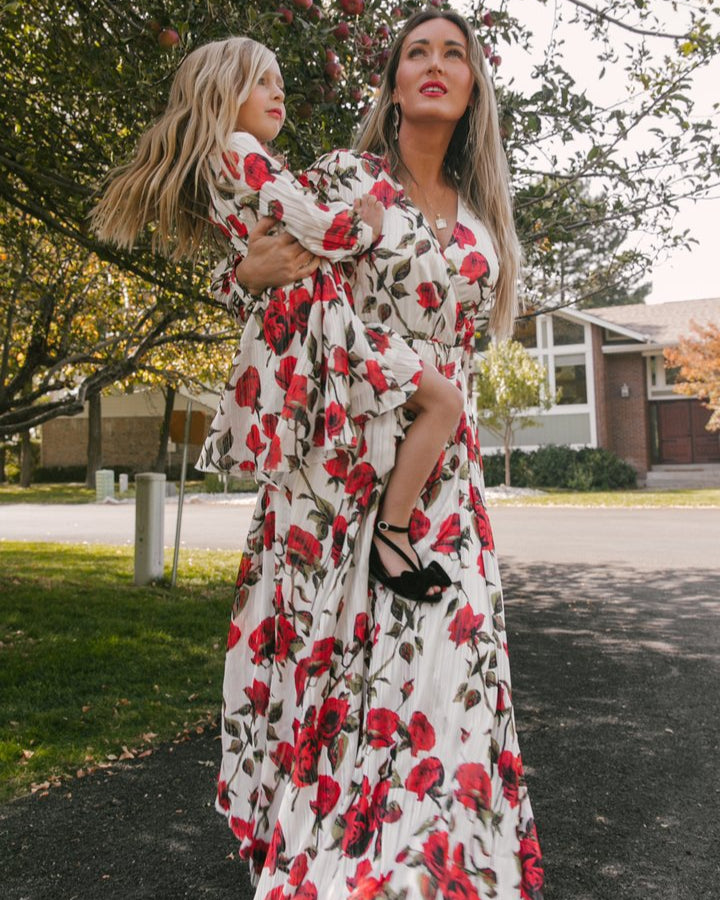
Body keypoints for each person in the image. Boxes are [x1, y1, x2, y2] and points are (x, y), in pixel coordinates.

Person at [212, 9, 545, 899]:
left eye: (454, 55)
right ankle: (353, 867)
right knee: (349, 689)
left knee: (450, 674)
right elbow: (252, 254)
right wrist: (242, 277)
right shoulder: (346, 179)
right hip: (347, 471)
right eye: (416, 53)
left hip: (447, 487)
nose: (434, 65)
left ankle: (442, 873)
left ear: (473, 88)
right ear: (394, 82)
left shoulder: (486, 226)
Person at [92, 35, 463, 602]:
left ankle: (382, 541)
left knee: (412, 413)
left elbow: (269, 241)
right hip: (322, 324)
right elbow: (313, 228)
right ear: (224, 90)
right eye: (262, 82)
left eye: (280, 85)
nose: (278, 94)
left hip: (311, 323)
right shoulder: (245, 152)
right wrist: (366, 225)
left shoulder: (238, 159)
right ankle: (391, 535)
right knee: (442, 402)